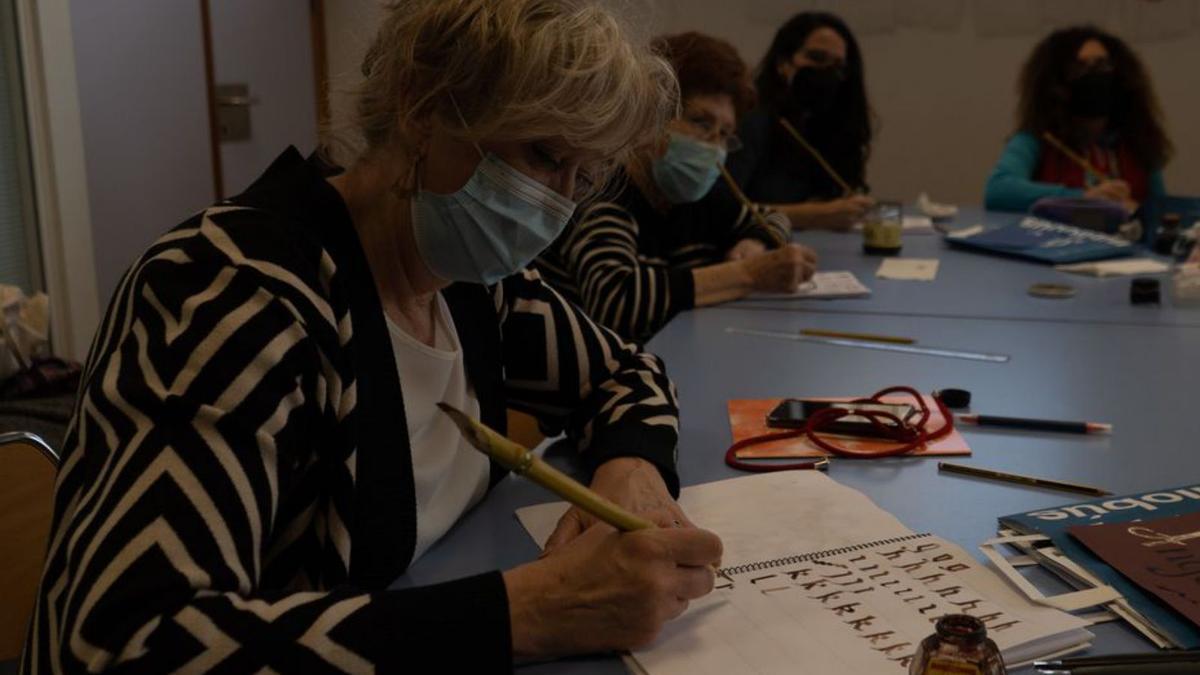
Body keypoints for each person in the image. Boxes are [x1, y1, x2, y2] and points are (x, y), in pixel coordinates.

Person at [21, 1, 724, 672]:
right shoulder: (226, 289)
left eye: (584, 179)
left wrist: (631, 470)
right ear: (423, 108)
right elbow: (122, 645)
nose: (554, 207)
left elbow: (627, 373)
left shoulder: (472, 281)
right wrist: (530, 613)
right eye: (541, 156)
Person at [535, 31, 818, 343]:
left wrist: (754, 244)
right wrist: (748, 274)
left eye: (725, 134)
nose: (713, 146)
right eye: (700, 123)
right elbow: (616, 303)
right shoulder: (606, 193)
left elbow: (772, 219)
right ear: (651, 117)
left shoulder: (698, 195)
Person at [984, 25, 1172, 214]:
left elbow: (1160, 211)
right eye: (1080, 68)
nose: (1095, 76)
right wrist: (1083, 198)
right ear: (1057, 86)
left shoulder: (1138, 139)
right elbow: (998, 190)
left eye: (1102, 65)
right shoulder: (1038, 138)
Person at [726, 12, 876, 231]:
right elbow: (724, 210)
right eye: (816, 58)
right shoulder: (752, 120)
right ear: (783, 63)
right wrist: (813, 215)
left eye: (838, 66)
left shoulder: (826, 124)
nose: (827, 72)